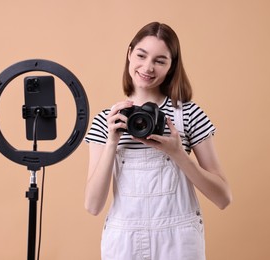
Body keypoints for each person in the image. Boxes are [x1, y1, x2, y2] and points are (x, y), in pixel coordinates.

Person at [84, 22, 232, 260]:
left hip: (179, 242)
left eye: (160, 60)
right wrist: (112, 141)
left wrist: (178, 154)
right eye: (141, 55)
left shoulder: (189, 115)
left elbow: (223, 197)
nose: (148, 67)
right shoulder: (107, 119)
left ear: (172, 66)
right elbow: (92, 206)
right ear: (129, 53)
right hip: (124, 242)